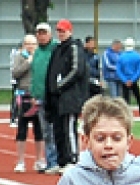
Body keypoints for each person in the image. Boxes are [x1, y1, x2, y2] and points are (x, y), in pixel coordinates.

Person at [44, 19, 89, 173]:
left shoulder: (74, 48)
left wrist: (60, 85)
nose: (61, 33)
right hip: (57, 97)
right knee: (58, 129)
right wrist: (51, 90)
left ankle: (72, 159)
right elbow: (51, 71)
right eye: (59, 31)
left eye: (63, 31)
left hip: (70, 97)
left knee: (68, 128)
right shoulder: (57, 49)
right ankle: (62, 160)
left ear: (70, 31)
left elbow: (77, 70)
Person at [11, 33, 45, 173]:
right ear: (24, 45)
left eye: (33, 44)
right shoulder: (19, 57)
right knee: (22, 129)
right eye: (28, 44)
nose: (30, 46)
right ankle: (20, 161)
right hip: (23, 94)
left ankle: (39, 160)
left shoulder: (41, 56)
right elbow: (15, 73)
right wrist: (28, 62)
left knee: (39, 129)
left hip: (37, 96)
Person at [30, 22, 58, 172]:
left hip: (53, 96)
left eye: (44, 33)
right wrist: (34, 94)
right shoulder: (37, 52)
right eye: (39, 33)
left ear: (49, 34)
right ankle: (50, 161)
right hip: (40, 96)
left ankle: (58, 160)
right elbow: (35, 75)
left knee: (55, 130)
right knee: (46, 131)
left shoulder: (56, 49)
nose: (41, 36)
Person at [118, 38, 140, 121]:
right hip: (135, 81)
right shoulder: (138, 56)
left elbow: (118, 70)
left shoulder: (121, 57)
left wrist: (125, 80)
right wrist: (133, 79)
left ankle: (126, 118)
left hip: (125, 82)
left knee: (125, 101)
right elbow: (139, 70)